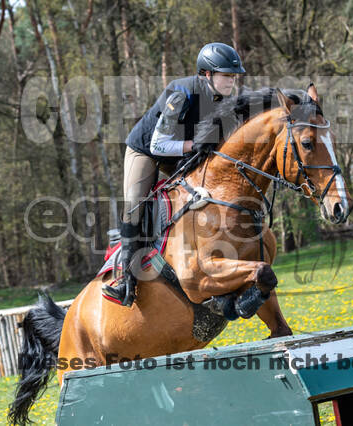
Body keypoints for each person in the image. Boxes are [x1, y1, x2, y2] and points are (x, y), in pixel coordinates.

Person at [102, 42, 246, 306]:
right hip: (147, 151)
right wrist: (194, 145)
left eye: (234, 76)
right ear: (206, 74)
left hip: (180, 152)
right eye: (227, 75)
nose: (232, 81)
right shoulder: (181, 94)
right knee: (134, 205)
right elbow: (159, 145)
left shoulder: (223, 99)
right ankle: (125, 281)